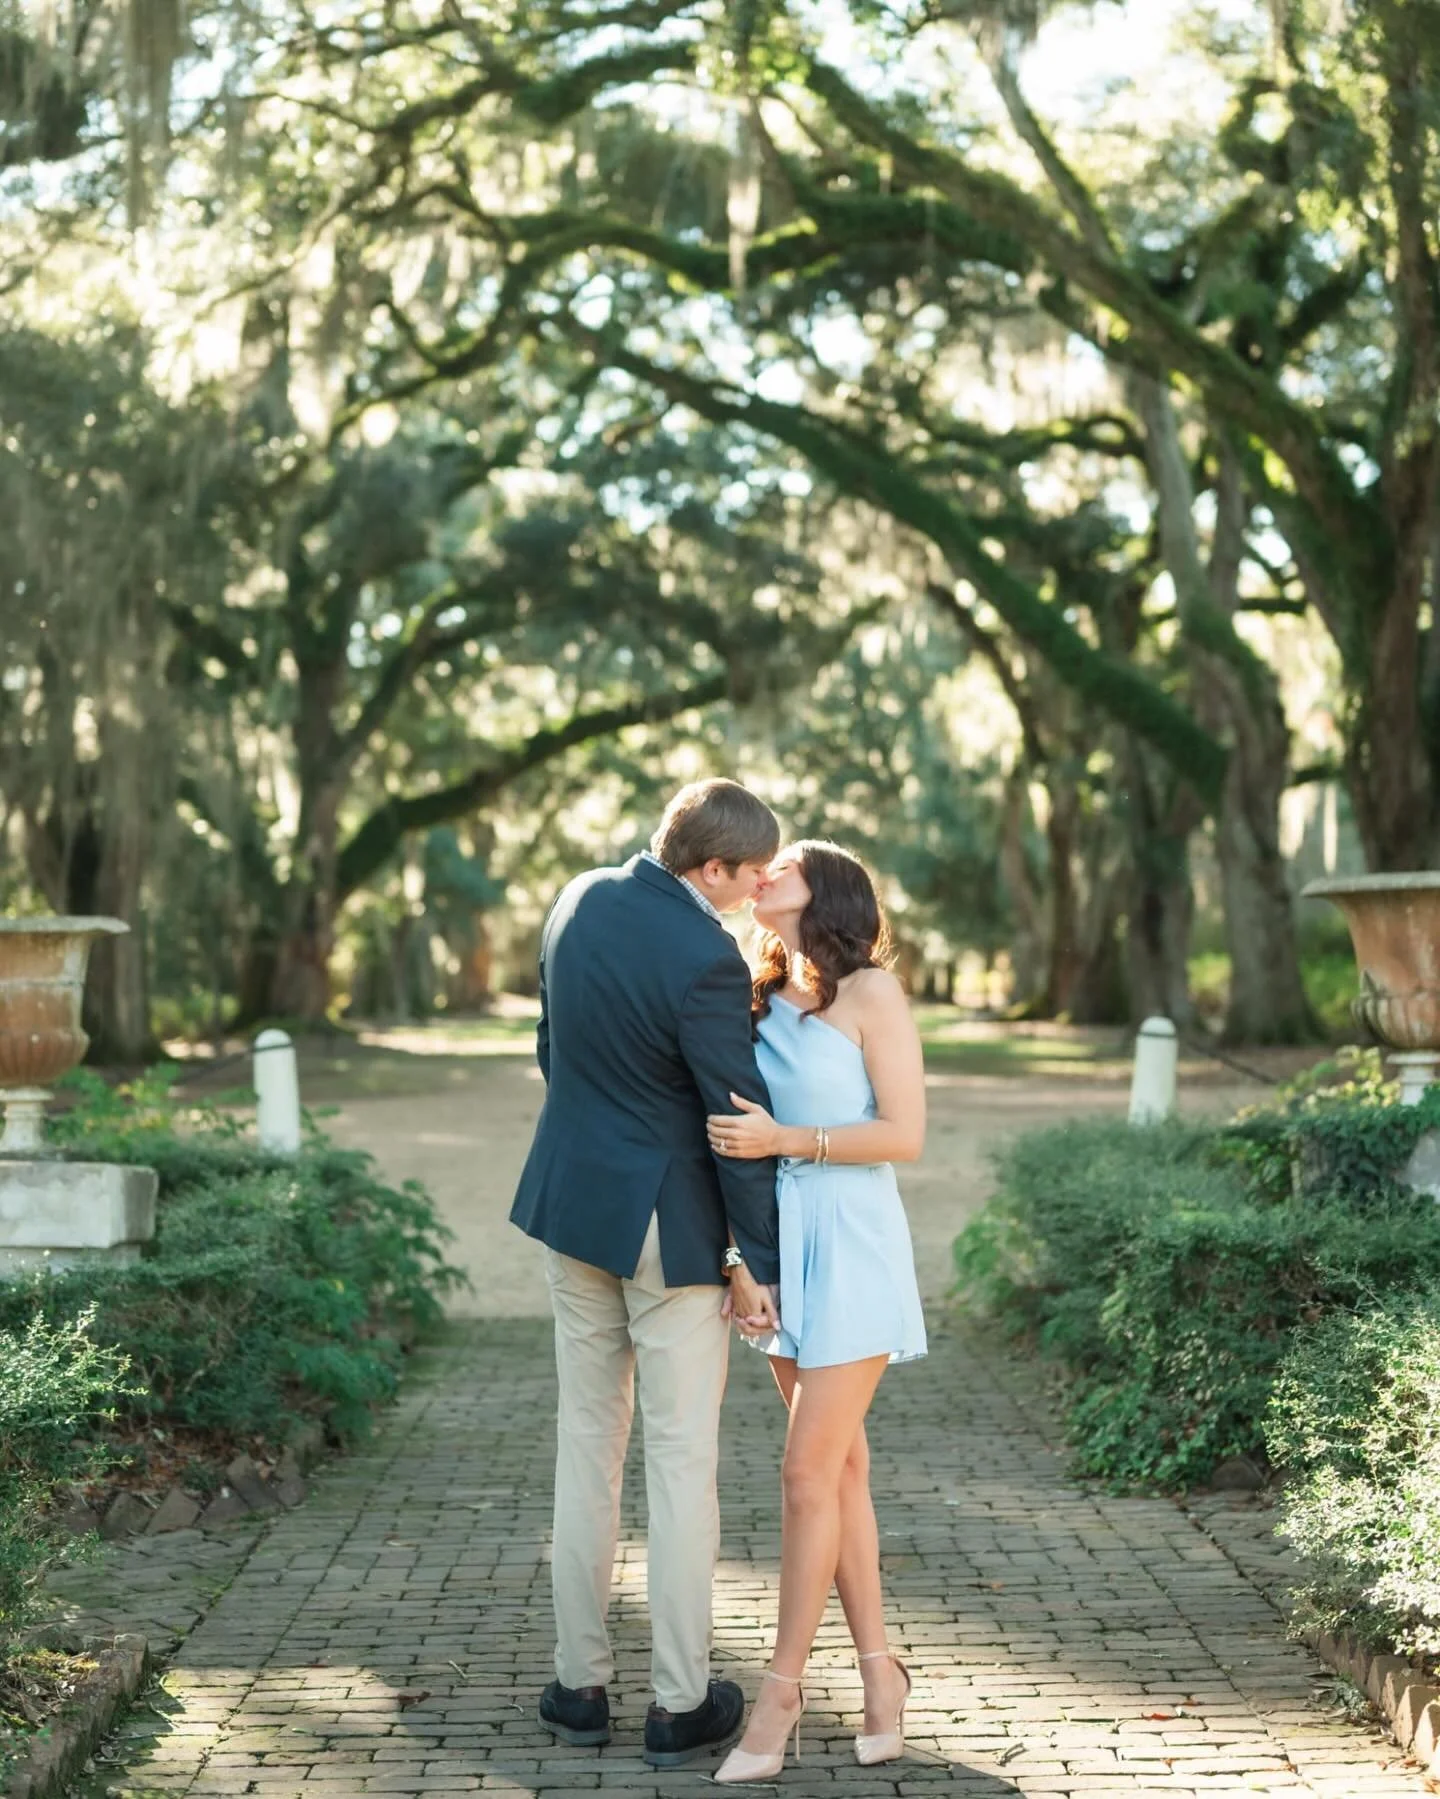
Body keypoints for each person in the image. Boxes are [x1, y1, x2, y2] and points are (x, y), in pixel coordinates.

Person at [510, 778, 784, 1770]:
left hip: (571, 1208)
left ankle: (576, 1686)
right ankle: (679, 1700)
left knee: (585, 1446)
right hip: (669, 1232)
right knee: (678, 1463)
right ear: (710, 867)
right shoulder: (707, 955)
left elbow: (551, 1049)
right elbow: (735, 1120)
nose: (754, 896)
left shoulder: (575, 899)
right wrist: (754, 1255)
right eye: (749, 877)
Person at [704, 840, 927, 1782]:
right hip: (781, 1249)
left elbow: (905, 1135)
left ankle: (782, 1690)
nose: (764, 874)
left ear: (825, 890)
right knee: (839, 1474)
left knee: (804, 1473)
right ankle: (883, 1677)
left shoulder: (871, 994)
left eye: (783, 865)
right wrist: (739, 1258)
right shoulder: (753, 997)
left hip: (856, 1241)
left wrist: (786, 1138)